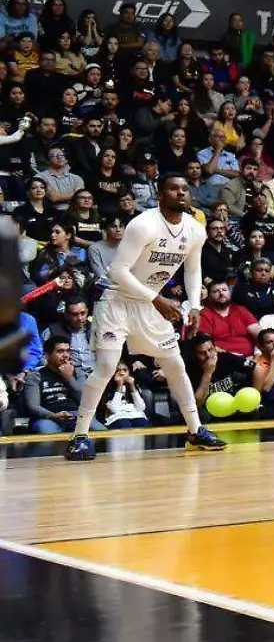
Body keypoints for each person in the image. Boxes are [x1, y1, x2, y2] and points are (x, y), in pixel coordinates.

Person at [65, 175, 225, 460]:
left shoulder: (195, 230)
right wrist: (157, 299)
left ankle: (195, 430)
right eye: (173, 188)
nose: (181, 193)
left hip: (150, 301)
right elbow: (118, 271)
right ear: (160, 195)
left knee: (175, 365)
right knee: (106, 365)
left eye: (185, 189)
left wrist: (195, 306)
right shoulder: (143, 225)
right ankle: (80, 435)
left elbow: (191, 270)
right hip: (116, 298)